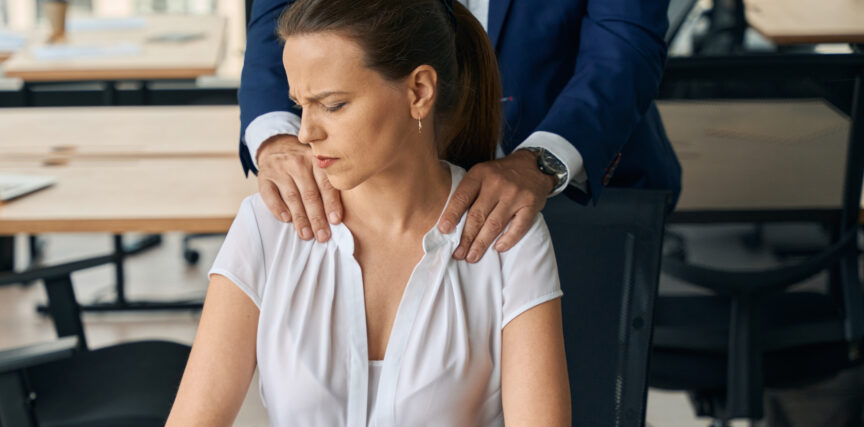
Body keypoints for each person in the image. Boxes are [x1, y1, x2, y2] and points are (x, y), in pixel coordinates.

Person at [158, 0, 570, 427]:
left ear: (418, 91)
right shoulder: (266, 226)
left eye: (334, 104)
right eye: (300, 105)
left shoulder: (506, 233)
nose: (306, 132)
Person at [240, 0, 681, 262]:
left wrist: (543, 162)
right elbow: (280, 17)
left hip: (571, 183)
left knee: (584, 403)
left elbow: (625, 39)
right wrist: (279, 137)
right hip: (383, 187)